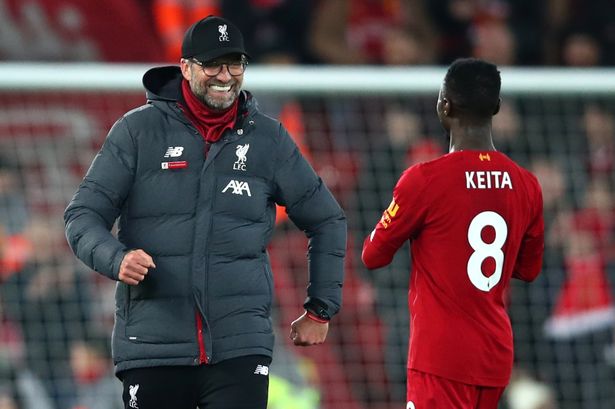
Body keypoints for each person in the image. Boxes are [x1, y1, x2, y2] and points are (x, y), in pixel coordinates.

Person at [63, 15, 346, 409]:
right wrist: (117, 259)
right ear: (185, 68)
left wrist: (320, 309)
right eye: (213, 63)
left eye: (235, 64)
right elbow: (81, 216)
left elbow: (327, 220)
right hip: (153, 348)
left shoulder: (269, 138)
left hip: (240, 349)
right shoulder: (137, 132)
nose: (225, 75)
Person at [361, 58, 544, 409]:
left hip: (440, 357)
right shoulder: (526, 184)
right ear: (497, 107)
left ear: (444, 106)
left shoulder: (425, 180)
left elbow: (373, 255)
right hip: (494, 354)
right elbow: (529, 270)